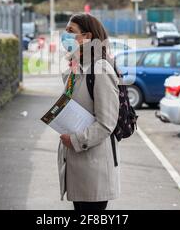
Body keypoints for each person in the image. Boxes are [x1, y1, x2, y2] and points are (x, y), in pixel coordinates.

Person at [58, 13, 120, 211]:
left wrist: (75, 140)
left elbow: (106, 124)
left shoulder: (100, 69)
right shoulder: (80, 68)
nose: (64, 36)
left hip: (94, 169)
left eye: (70, 32)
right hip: (78, 165)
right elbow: (68, 102)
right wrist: (72, 66)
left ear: (87, 37)